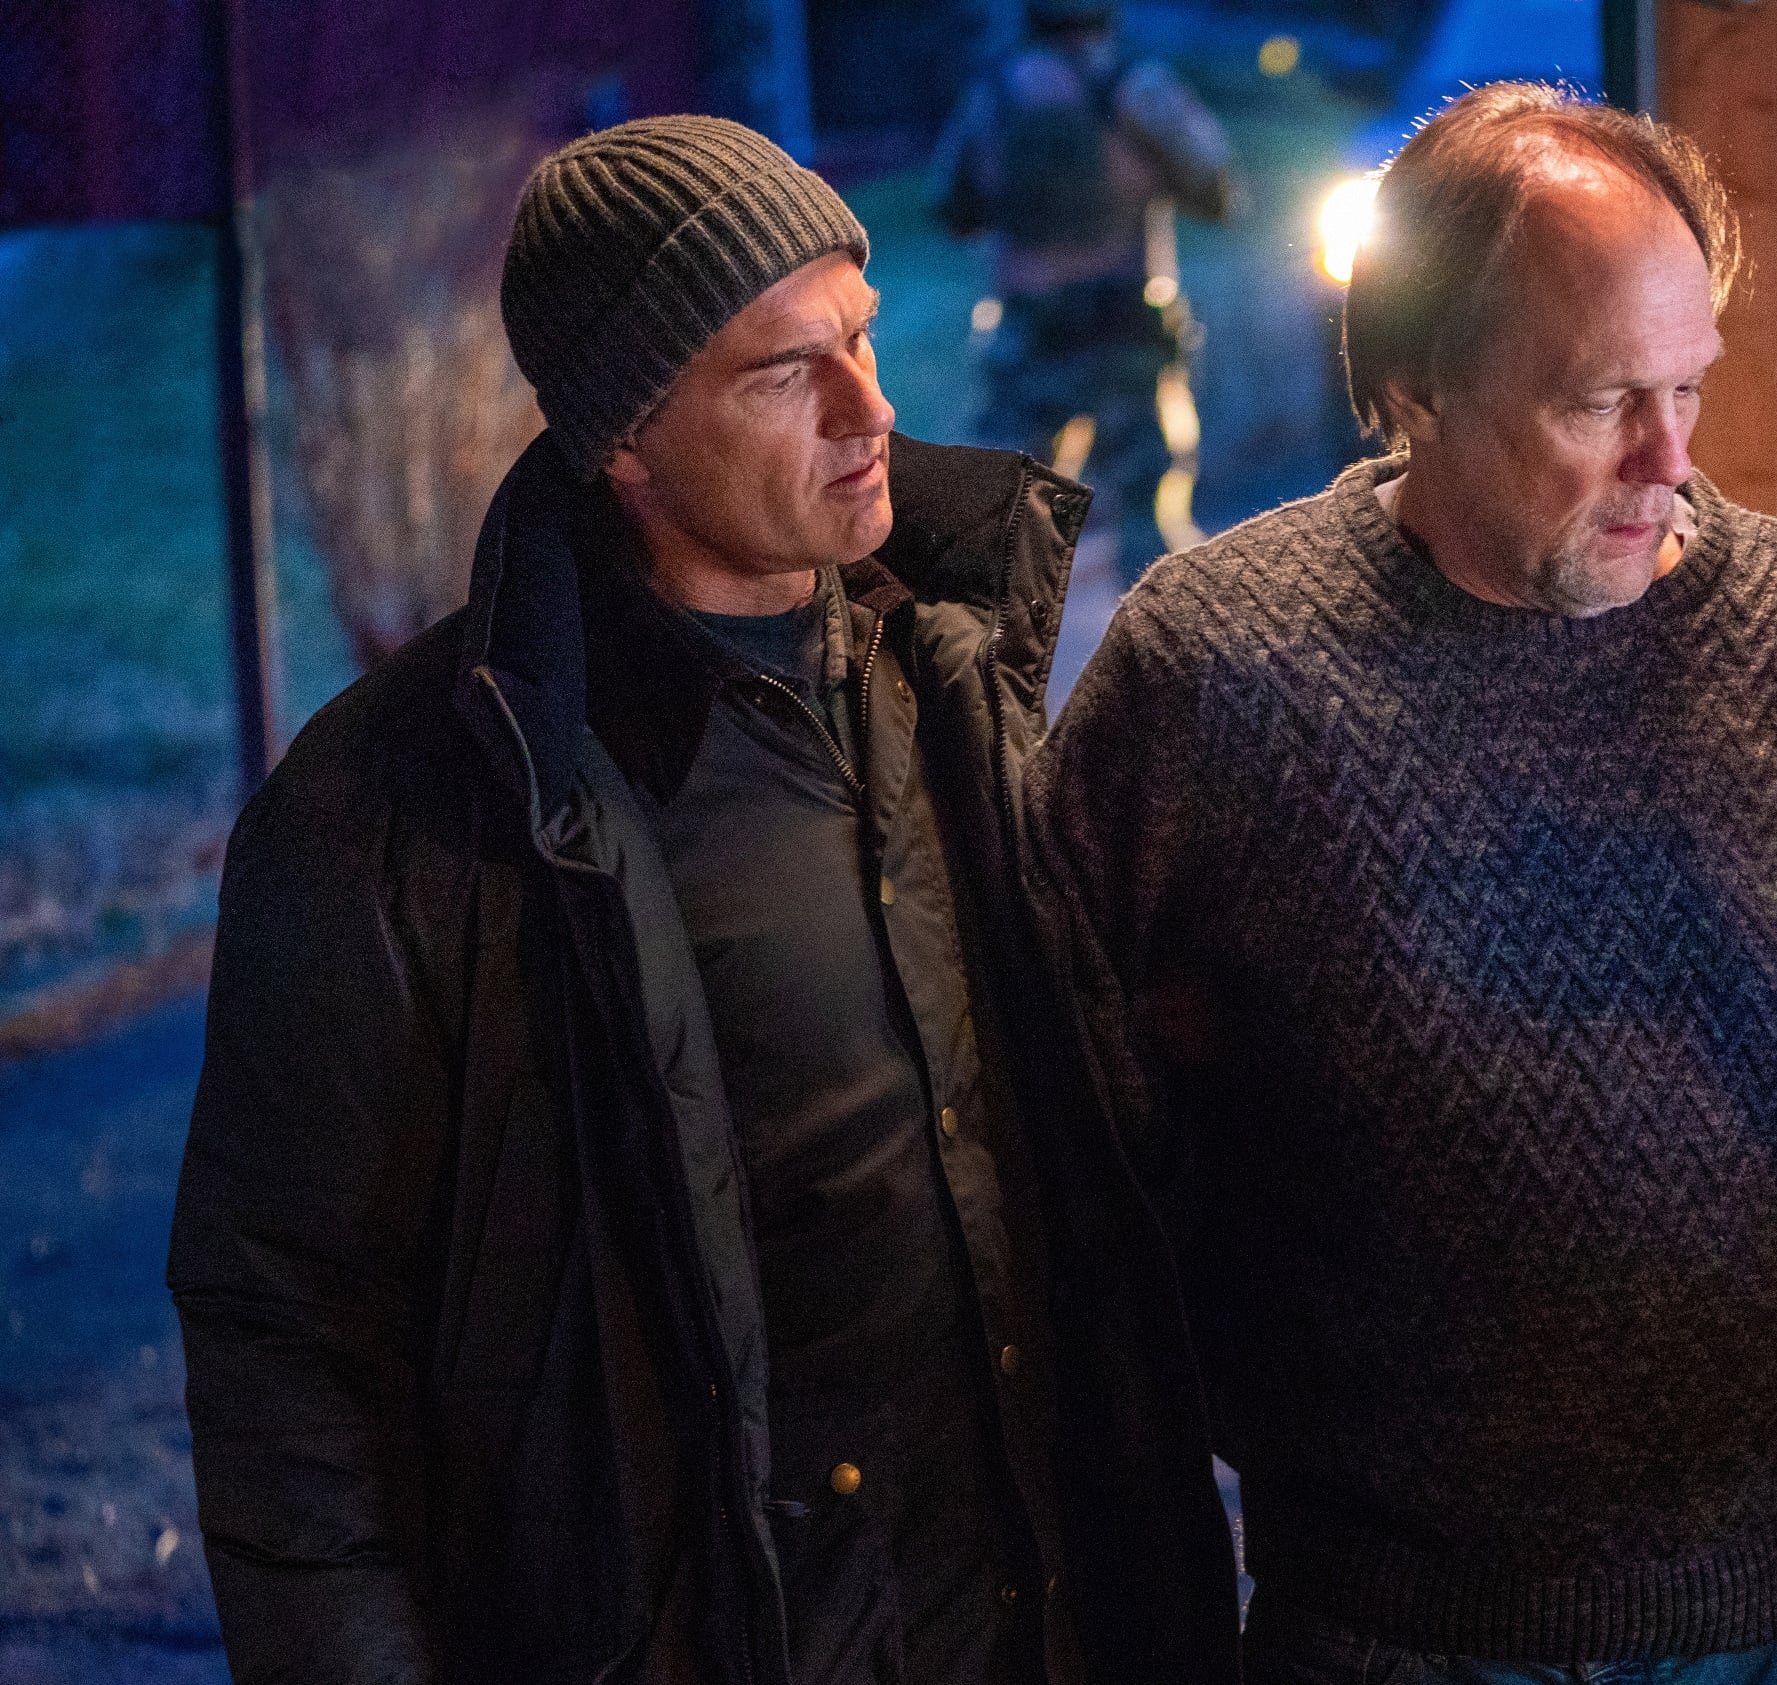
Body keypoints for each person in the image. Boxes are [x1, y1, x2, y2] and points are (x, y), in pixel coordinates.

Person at [167, 116, 1238, 1685]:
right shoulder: (403, 812)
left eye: (862, 337)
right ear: (626, 438)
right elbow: (287, 1338)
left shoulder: (955, 682)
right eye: (783, 372)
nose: (870, 408)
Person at [1034, 82, 1777, 1685]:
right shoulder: (1217, 670)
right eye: (1599, 402)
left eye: (1688, 386)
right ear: (1415, 383)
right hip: (1390, 1624)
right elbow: (1072, 1109)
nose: (1669, 461)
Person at [932, 0, 1238, 584]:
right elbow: (1217, 191)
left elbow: (954, 207)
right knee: (1148, 532)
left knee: (1002, 530)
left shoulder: (996, 92)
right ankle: (1158, 631)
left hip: (1027, 330)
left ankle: (993, 637)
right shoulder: (1140, 88)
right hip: (1125, 325)